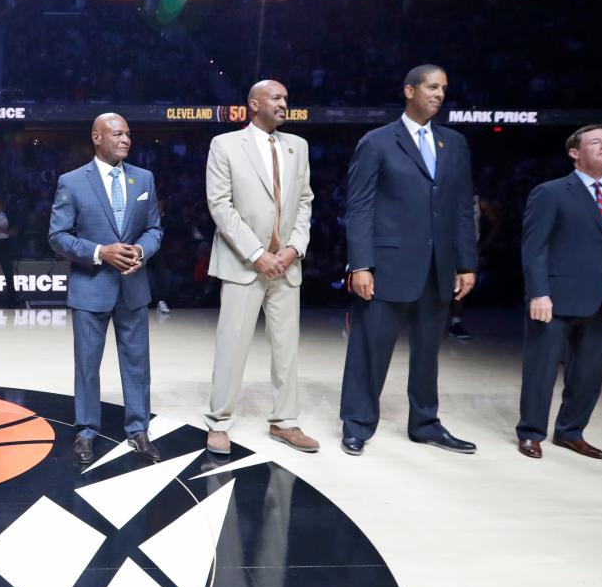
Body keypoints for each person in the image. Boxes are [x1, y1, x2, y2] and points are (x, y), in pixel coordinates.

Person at [338, 65, 478, 456]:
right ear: (409, 91)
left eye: (444, 89)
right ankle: (357, 423)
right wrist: (361, 265)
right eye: (432, 87)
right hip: (386, 265)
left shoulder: (455, 143)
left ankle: (426, 423)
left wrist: (466, 263)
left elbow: (462, 209)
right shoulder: (378, 141)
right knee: (370, 348)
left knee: (428, 352)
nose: (439, 94)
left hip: (439, 267)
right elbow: (360, 207)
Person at [204, 80, 317, 455]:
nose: (285, 103)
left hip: (286, 264)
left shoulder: (297, 146)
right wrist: (258, 253)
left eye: (286, 97)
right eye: (277, 98)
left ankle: (285, 422)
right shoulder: (225, 145)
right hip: (244, 263)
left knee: (287, 348)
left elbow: (304, 202)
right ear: (254, 104)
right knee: (232, 345)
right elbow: (220, 206)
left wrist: (294, 249)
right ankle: (219, 422)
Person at [516, 125, 602, 459]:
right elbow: (534, 247)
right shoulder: (551, 192)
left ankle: (570, 432)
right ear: (574, 153)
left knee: (588, 373)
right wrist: (538, 292)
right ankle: (531, 432)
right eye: (596, 142)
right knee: (541, 368)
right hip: (554, 297)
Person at [49, 113, 164, 465]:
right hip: (91, 287)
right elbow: (58, 237)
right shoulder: (72, 181)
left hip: (133, 285)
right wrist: (101, 252)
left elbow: (155, 229)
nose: (126, 139)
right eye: (117, 134)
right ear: (97, 138)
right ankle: (85, 431)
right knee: (87, 364)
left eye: (128, 134)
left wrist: (141, 251)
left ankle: (139, 429)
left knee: (137, 362)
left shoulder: (144, 178)